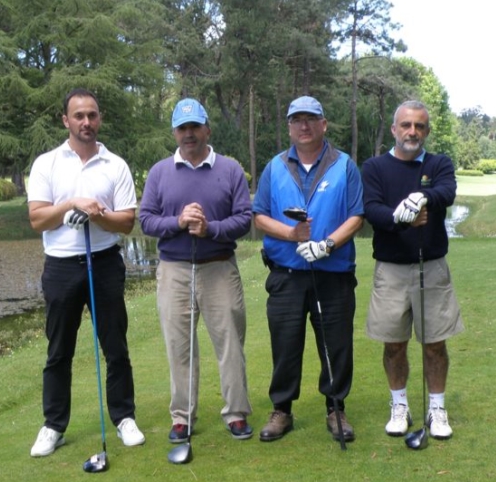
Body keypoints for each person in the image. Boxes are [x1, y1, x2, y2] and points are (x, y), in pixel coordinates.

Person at [27, 88, 145, 457]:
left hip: (105, 262)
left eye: (92, 115)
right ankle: (53, 426)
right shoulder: (47, 163)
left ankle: (124, 417)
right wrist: (71, 205)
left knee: (115, 346)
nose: (86, 122)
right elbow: (37, 218)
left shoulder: (116, 165)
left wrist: (99, 215)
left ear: (99, 119)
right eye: (78, 116)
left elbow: (127, 223)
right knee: (59, 350)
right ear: (66, 120)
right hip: (61, 266)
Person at [139, 98, 254, 443]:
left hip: (218, 267)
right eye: (182, 128)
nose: (189, 134)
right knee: (179, 346)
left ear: (207, 129)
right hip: (174, 270)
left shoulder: (230, 169)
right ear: (175, 132)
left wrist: (210, 229)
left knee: (230, 342)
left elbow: (244, 219)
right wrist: (178, 221)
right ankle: (182, 417)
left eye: (195, 127)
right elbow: (145, 219)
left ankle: (236, 413)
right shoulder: (160, 172)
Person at [252, 95, 364, 443]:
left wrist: (327, 244)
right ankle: (282, 410)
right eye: (296, 119)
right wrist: (289, 234)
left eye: (310, 119)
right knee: (285, 344)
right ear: (288, 126)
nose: (304, 125)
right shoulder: (274, 167)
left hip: (333, 273)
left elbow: (357, 216)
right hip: (285, 274)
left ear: (323, 124)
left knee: (336, 344)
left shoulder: (344, 165)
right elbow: (258, 216)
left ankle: (336, 408)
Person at [361, 100, 464, 440]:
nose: (412, 132)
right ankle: (399, 405)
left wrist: (420, 199)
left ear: (427, 131)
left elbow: (446, 192)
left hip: (431, 268)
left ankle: (437, 408)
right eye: (406, 125)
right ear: (394, 129)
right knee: (394, 344)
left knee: (434, 343)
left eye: (419, 126)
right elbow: (371, 209)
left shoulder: (438, 163)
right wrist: (398, 218)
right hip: (390, 270)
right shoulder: (375, 167)